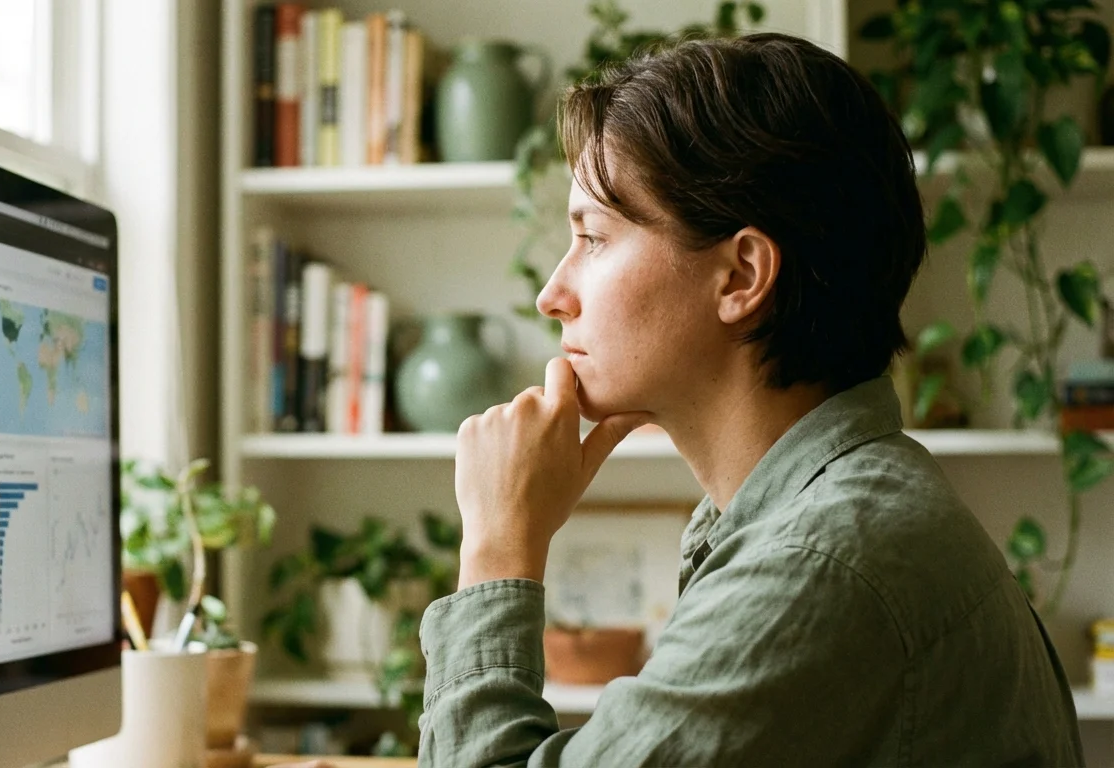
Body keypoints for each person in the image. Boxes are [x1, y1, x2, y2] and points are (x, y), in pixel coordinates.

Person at [412, 32, 1084, 767]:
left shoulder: (825, 560)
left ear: (740, 276)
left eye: (594, 238)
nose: (553, 295)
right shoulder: (823, 520)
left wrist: (498, 545)